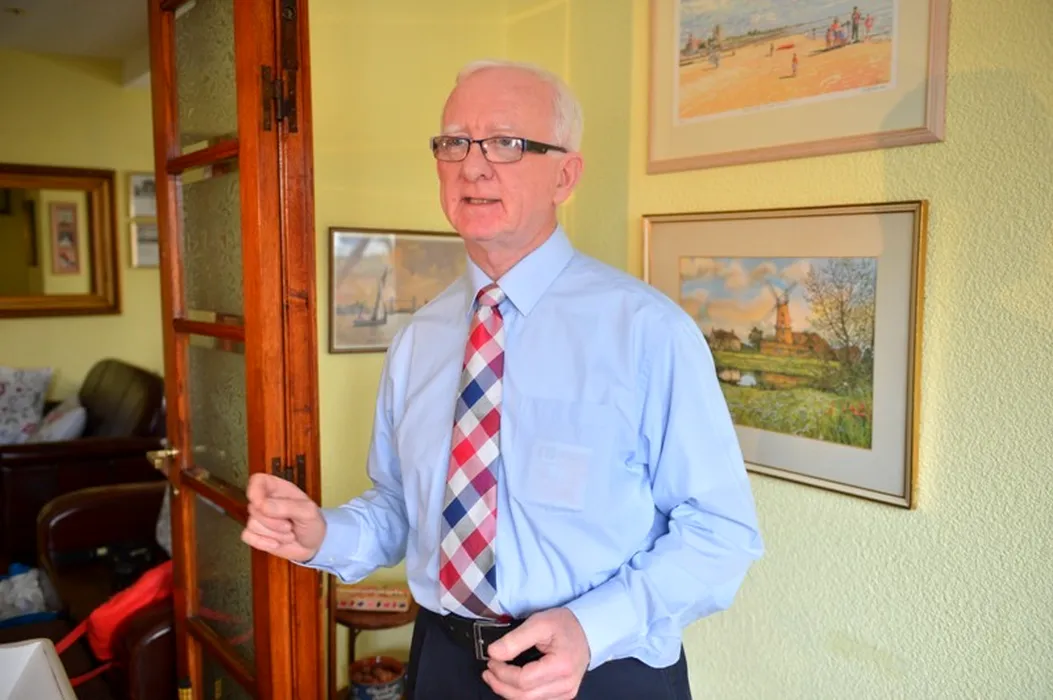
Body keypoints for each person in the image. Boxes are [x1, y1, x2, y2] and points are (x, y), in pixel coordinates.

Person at [241, 59, 764, 700]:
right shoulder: (417, 342)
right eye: (454, 142)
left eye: (506, 143)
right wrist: (323, 535)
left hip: (602, 670)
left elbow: (721, 532)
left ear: (565, 175)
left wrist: (591, 628)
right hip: (443, 663)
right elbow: (401, 507)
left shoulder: (648, 332)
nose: (473, 166)